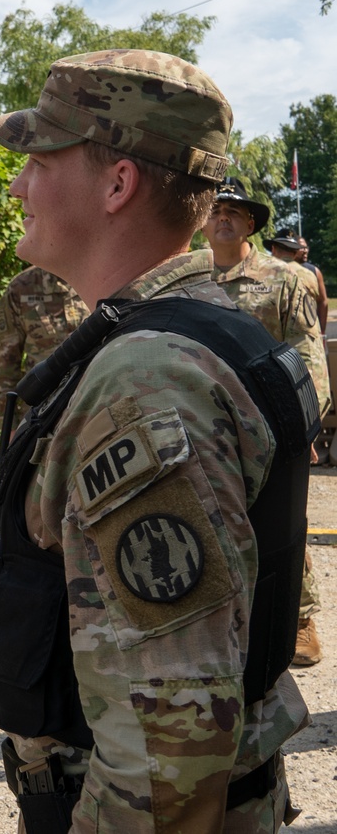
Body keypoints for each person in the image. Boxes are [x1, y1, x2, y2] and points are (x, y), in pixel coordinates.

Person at [0, 50, 313, 831]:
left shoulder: (146, 376)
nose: (18, 185)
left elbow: (172, 743)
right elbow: (102, 517)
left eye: (37, 159)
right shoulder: (189, 335)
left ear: (117, 184)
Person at [203, 180, 329, 667]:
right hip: (205, 417)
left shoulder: (284, 278)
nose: (223, 219)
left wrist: (304, 425)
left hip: (270, 421)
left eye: (234, 213)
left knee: (282, 518)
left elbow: (308, 354)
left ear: (251, 224)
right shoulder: (185, 276)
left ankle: (300, 621)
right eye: (216, 210)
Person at [0, 265, 88, 422]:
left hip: (93, 408)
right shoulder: (22, 287)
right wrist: (10, 426)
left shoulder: (102, 277)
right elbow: (5, 368)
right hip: (41, 416)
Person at [297, 235, 329, 332]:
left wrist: (322, 331)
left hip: (309, 331)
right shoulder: (280, 269)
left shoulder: (314, 271)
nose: (305, 250)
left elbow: (323, 301)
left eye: (306, 247)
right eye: (302, 247)